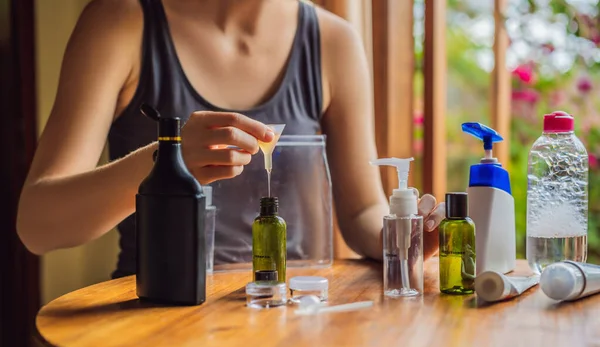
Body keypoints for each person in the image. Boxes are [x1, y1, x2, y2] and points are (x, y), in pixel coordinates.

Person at [17, 0, 445, 278]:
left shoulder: (333, 41)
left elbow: (363, 211)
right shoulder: (120, 22)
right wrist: (169, 161)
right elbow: (37, 224)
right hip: (153, 328)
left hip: (288, 326)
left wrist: (403, 237)